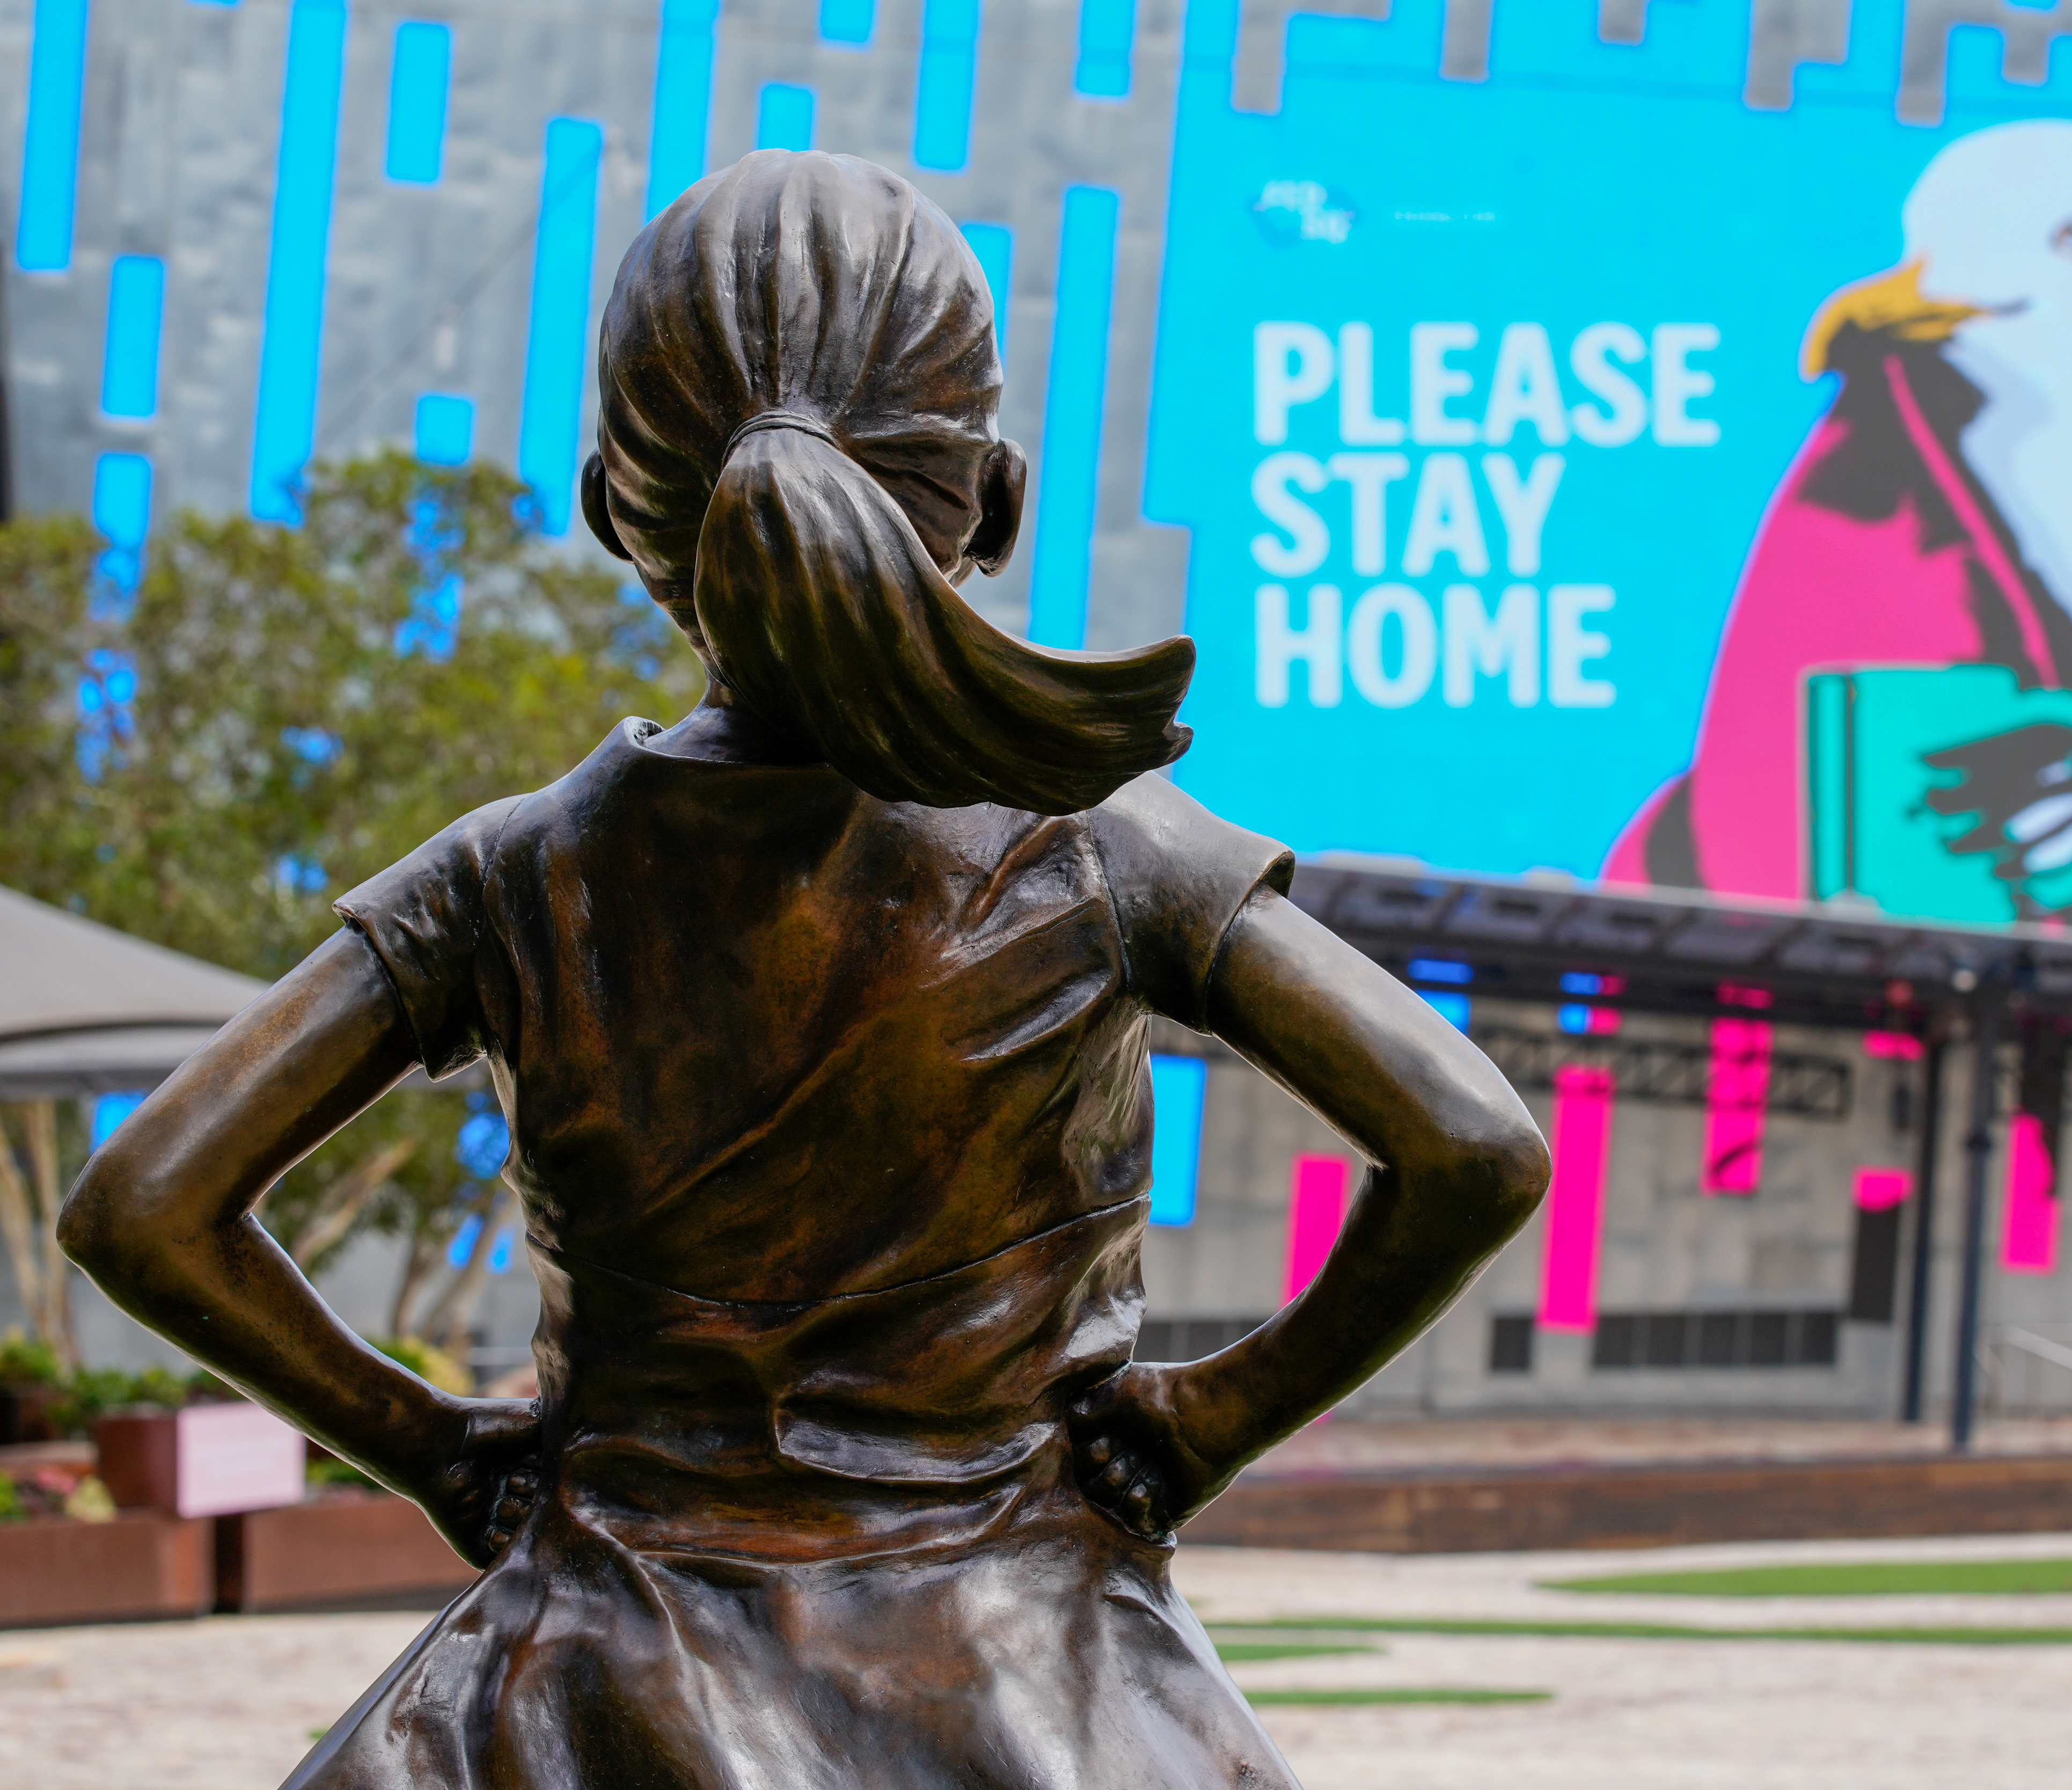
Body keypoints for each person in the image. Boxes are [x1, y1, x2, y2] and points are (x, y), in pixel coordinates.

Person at [60, 151, 1549, 1789]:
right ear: (996, 500)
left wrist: (427, 1447)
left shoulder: (505, 878)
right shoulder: (1111, 853)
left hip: (582, 1688)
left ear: (611, 510)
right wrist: (1217, 1416)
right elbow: (1474, 1145)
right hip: (1030, 1682)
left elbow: (145, 1205)